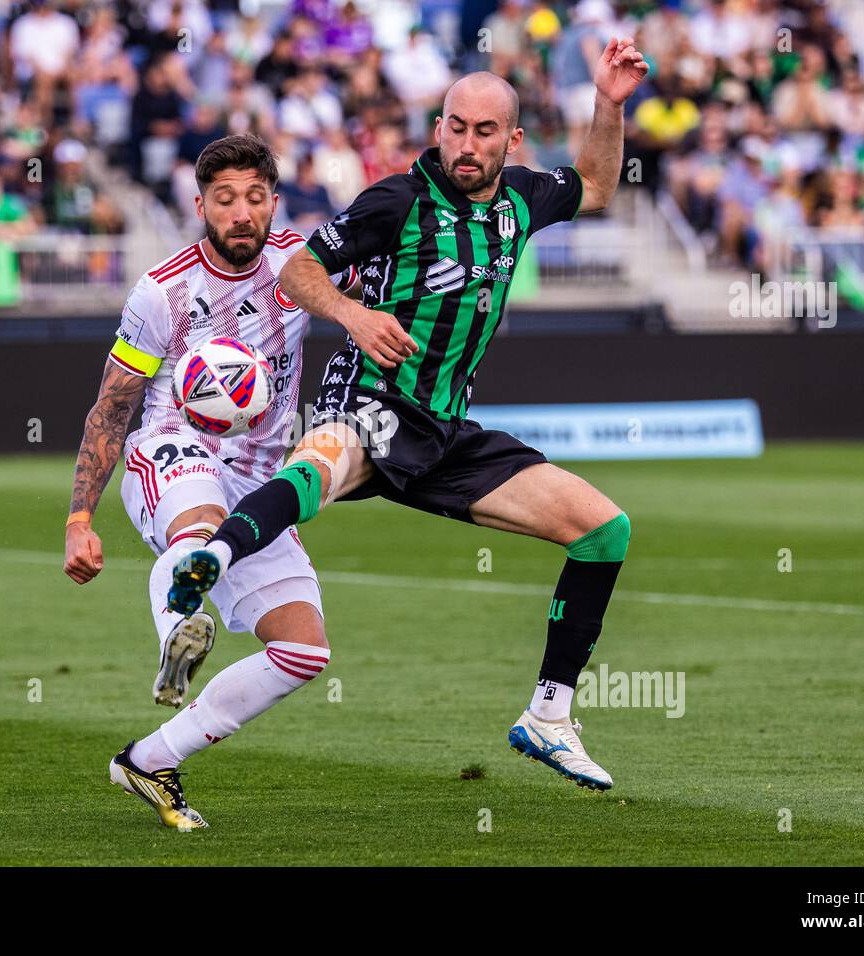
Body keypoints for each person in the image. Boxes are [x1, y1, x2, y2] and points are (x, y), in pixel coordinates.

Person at [168, 44, 649, 793]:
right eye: (455, 127)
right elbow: (300, 269)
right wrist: (353, 315)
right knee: (318, 466)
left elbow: (592, 185)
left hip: (448, 430)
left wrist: (610, 104)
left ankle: (549, 716)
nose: (466, 144)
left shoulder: (524, 197)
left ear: (511, 142)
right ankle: (209, 561)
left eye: (485, 131)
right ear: (438, 126)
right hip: (375, 402)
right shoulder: (399, 200)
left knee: (603, 531)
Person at [62, 135, 358, 829]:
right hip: (172, 450)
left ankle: (150, 758)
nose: (241, 213)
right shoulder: (162, 292)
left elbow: (371, 294)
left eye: (255, 198)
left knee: (303, 650)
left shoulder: (298, 266)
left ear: (273, 203)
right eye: (225, 200)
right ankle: (180, 624)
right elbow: (112, 407)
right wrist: (80, 518)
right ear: (201, 206)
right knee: (196, 531)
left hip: (261, 483)